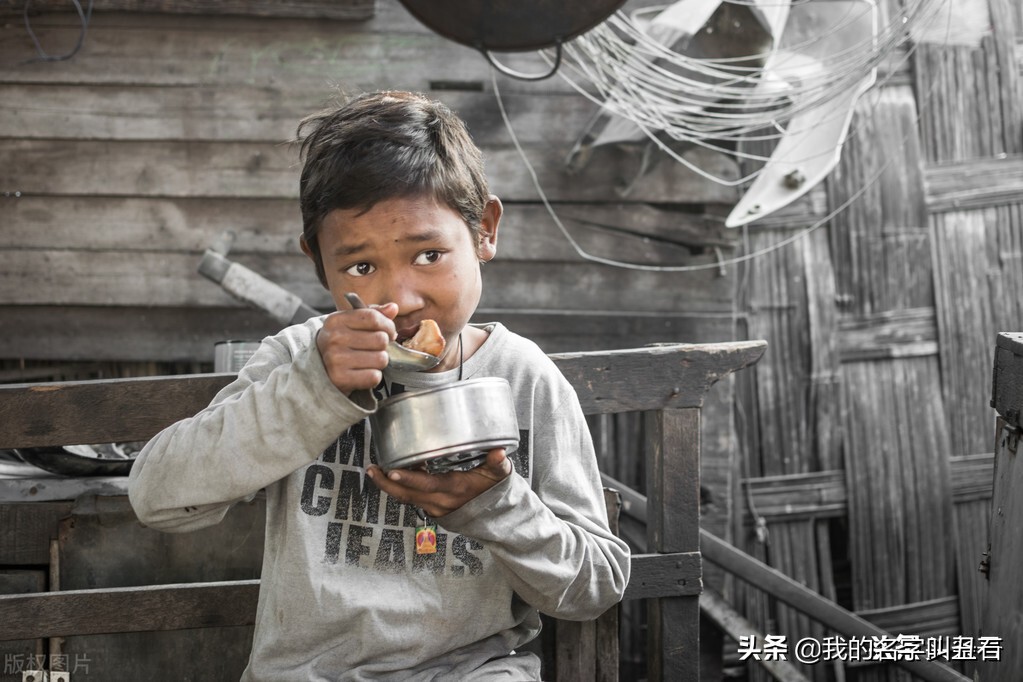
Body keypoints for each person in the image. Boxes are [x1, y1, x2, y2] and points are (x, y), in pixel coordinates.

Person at [128, 90, 631, 681]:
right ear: (319, 262)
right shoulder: (298, 359)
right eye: (361, 267)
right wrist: (312, 389)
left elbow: (595, 586)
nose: (400, 299)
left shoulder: (523, 378)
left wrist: (495, 506)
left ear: (485, 232)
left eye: (429, 254)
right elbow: (156, 497)